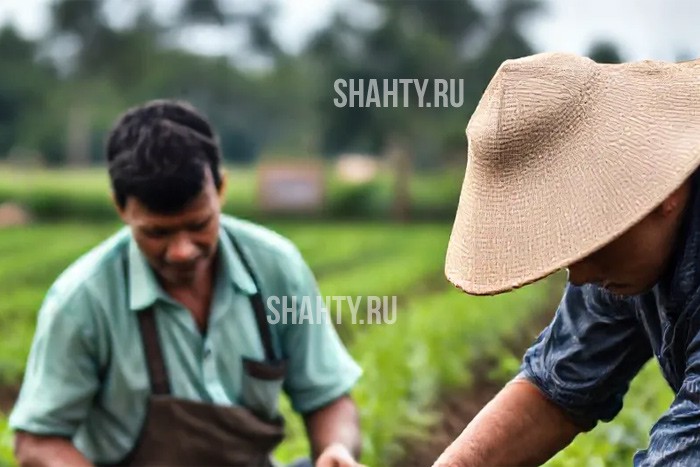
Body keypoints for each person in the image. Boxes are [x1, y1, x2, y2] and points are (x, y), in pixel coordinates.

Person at [9, 99, 363, 467]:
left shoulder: (277, 268)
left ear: (221, 189)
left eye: (198, 225)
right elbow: (38, 441)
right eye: (157, 233)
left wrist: (334, 449)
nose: (181, 251)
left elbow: (329, 399)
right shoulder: (83, 300)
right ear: (120, 207)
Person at [434, 52, 700, 466]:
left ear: (663, 189)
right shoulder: (628, 248)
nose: (578, 274)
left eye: (590, 239)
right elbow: (558, 388)